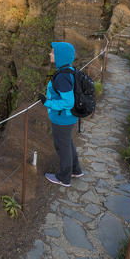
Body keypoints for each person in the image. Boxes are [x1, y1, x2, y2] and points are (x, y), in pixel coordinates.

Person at [38, 42, 83, 187]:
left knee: (62, 147)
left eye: (52, 53)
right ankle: (76, 170)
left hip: (63, 118)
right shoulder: (68, 70)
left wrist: (47, 102)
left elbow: (68, 102)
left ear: (60, 56)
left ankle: (64, 178)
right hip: (68, 117)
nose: (50, 54)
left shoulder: (62, 77)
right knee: (67, 143)